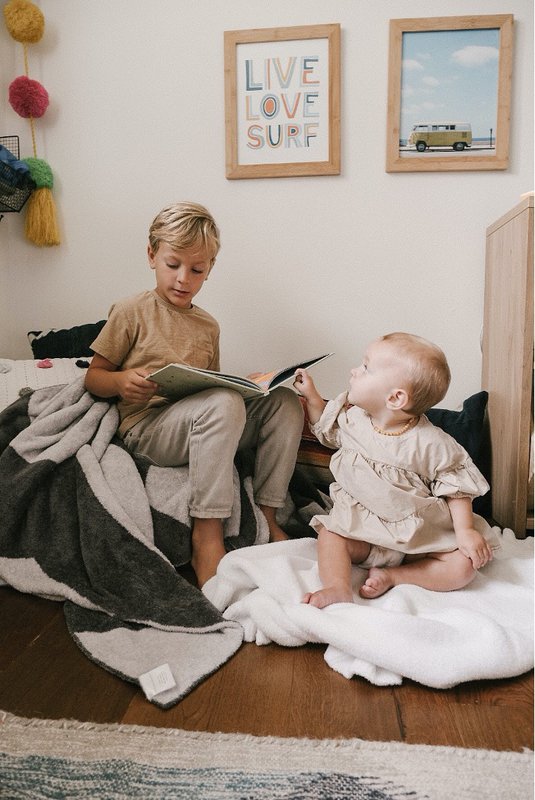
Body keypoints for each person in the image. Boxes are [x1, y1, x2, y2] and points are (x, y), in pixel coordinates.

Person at [85, 201, 304, 587]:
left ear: (210, 270)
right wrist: (120, 382)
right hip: (148, 428)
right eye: (173, 265)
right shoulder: (132, 310)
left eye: (197, 269)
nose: (183, 278)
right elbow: (94, 377)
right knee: (222, 403)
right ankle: (207, 532)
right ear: (152, 256)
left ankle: (269, 515)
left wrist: (250, 386)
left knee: (284, 403)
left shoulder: (207, 325)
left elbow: (210, 389)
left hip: (197, 423)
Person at [293, 331, 500, 608]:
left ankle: (396, 576)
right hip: (363, 533)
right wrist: (312, 397)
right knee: (330, 536)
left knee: (463, 567)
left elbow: (458, 486)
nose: (354, 371)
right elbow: (326, 432)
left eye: (365, 368)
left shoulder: (431, 442)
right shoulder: (354, 419)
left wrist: (464, 531)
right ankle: (337, 587)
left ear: (395, 398)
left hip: (418, 540)